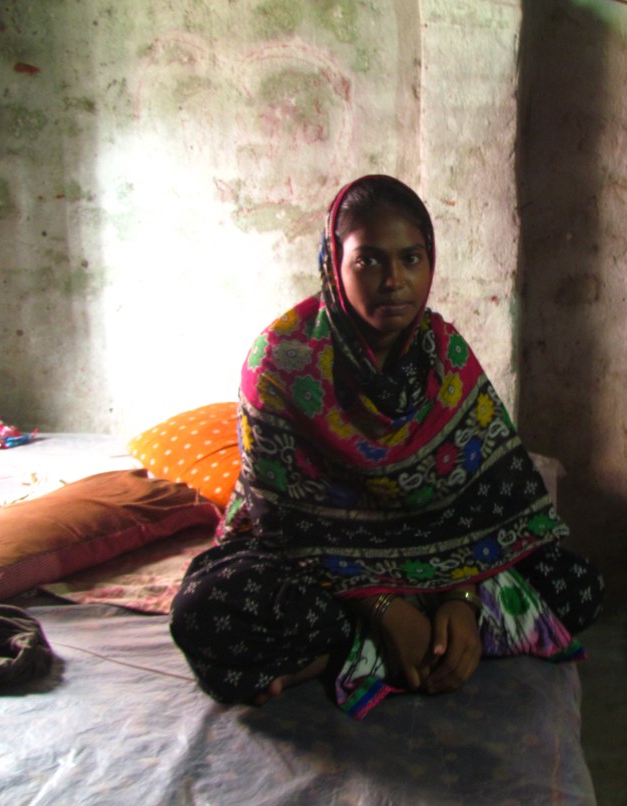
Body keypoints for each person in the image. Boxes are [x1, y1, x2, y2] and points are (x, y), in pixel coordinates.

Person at [170, 175, 603, 716]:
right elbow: (285, 526)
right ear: (334, 262)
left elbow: (492, 497)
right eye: (369, 261)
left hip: (441, 557)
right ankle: (393, 640)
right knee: (204, 611)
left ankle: (357, 650)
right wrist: (382, 607)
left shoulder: (443, 354)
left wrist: (463, 600)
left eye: (411, 259)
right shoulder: (280, 361)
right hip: (317, 562)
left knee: (577, 585)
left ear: (430, 261)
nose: (395, 281)